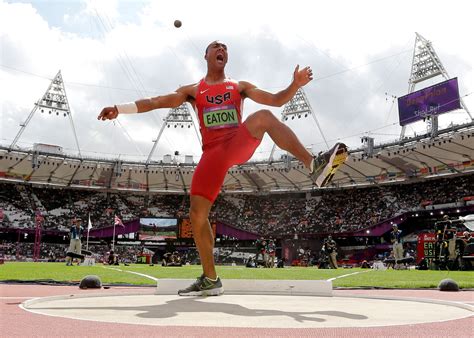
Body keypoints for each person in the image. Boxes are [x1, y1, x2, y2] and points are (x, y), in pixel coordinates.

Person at [98, 40, 348, 296]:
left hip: (236, 142)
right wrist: (120, 108)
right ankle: (210, 278)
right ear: (205, 55)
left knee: (262, 117)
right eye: (216, 46)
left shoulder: (239, 86)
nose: (221, 49)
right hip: (212, 155)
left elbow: (275, 100)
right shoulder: (193, 90)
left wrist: (295, 84)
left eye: (225, 48)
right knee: (196, 215)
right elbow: (156, 101)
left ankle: (313, 164)